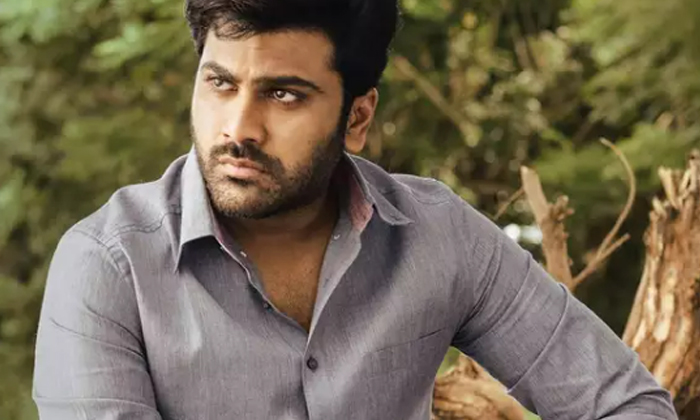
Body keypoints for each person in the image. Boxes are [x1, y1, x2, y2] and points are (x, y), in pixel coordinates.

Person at [32, 0, 678, 419]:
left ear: (358, 117)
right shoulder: (108, 266)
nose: (239, 127)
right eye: (220, 83)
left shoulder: (439, 236)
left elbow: (627, 404)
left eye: (284, 95)